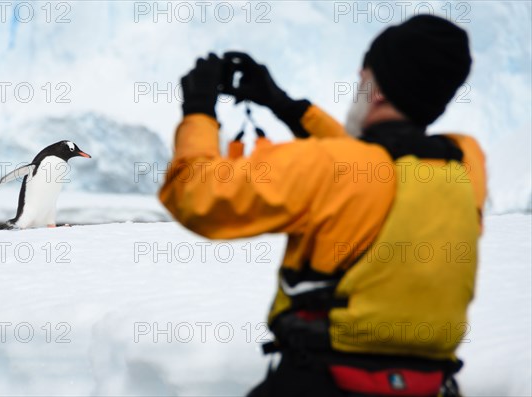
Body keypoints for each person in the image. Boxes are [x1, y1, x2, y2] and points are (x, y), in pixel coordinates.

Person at [159, 14, 486, 397]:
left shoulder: (332, 170)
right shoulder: (465, 164)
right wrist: (285, 106)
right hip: (431, 385)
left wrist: (198, 111)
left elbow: (198, 197)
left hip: (320, 382)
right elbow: (377, 162)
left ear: (377, 91)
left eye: (362, 79)